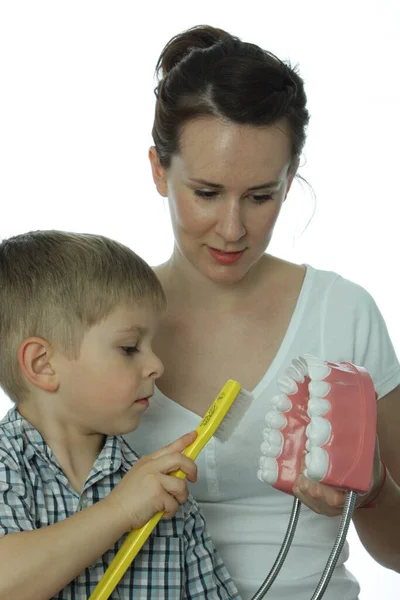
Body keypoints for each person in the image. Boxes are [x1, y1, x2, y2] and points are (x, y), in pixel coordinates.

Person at [126, 24, 400, 600]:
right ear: (158, 170)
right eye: (205, 192)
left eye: (261, 196)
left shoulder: (343, 314)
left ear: (290, 178)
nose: (233, 229)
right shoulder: (96, 321)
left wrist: (370, 489)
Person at [0, 230, 241, 600]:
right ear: (43, 364)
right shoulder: (6, 464)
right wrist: (119, 511)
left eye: (152, 346)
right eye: (130, 348)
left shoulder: (163, 490)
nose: (157, 365)